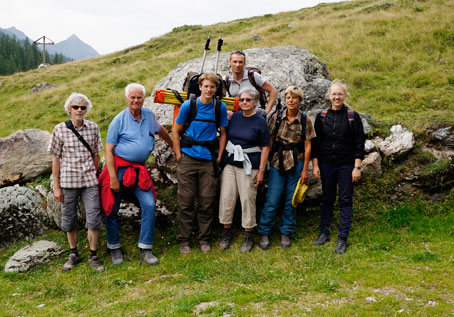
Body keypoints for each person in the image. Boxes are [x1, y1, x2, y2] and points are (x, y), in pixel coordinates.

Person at [101, 83, 173, 266]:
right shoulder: (118, 120)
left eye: (139, 97)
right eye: (132, 97)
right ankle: (114, 247)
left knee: (149, 204)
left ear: (144, 98)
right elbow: (108, 151)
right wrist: (112, 178)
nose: (136, 100)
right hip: (119, 169)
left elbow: (160, 130)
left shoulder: (148, 115)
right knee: (112, 207)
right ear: (126, 99)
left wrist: (174, 147)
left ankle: (145, 248)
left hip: (138, 171)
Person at [172, 72, 228, 254]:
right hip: (188, 158)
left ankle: (204, 239)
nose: (209, 90)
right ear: (200, 87)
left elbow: (223, 133)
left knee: (207, 201)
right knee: (186, 201)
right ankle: (184, 241)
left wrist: (219, 155)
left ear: (216, 89)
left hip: (208, 160)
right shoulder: (189, 105)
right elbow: (176, 130)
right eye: (206, 86)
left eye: (213, 87)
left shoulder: (219, 107)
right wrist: (179, 154)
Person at [48, 92, 104, 272]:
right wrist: (56, 187)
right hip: (68, 181)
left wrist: (93, 173)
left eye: (83, 107)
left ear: (86, 109)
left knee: (94, 217)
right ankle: (73, 254)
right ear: (69, 109)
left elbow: (96, 154)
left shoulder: (94, 128)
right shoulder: (59, 129)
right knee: (69, 218)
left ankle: (93, 255)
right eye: (76, 107)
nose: (79, 110)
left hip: (89, 181)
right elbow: (55, 159)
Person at [257, 86, 315, 249]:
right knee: (272, 199)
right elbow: (270, 139)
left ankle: (286, 232)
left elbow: (308, 145)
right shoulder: (277, 117)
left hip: (297, 162)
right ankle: (264, 232)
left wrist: (305, 170)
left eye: (294, 98)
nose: (291, 100)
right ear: (285, 99)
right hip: (277, 162)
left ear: (299, 100)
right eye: (288, 97)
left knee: (292, 200)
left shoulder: (305, 119)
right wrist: (266, 163)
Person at [311, 79, 365, 254]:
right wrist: (316, 165)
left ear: (345, 95)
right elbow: (316, 143)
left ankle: (342, 237)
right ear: (329, 96)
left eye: (340, 94)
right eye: (334, 94)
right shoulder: (322, 116)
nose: (337, 97)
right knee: (327, 197)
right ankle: (324, 232)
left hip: (346, 164)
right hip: (326, 163)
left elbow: (359, 144)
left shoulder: (352, 116)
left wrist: (357, 167)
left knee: (345, 199)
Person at [218, 88, 270, 252]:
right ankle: (226, 232)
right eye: (242, 100)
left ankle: (248, 234)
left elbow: (265, 147)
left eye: (248, 100)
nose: (244, 102)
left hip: (250, 164)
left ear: (255, 102)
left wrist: (261, 171)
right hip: (230, 162)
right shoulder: (235, 117)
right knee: (226, 197)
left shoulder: (260, 121)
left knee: (248, 198)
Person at [226, 50, 278, 114]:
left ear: (244, 63)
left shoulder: (253, 76)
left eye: (240, 62)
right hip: (237, 116)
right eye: (235, 62)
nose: (237, 65)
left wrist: (266, 111)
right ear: (229, 62)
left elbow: (273, 91)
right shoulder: (226, 80)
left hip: (255, 115)